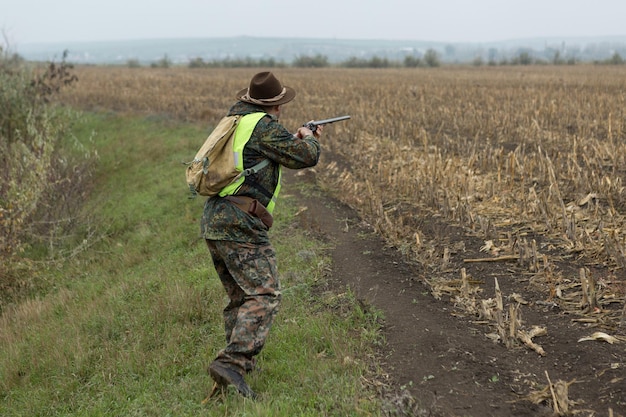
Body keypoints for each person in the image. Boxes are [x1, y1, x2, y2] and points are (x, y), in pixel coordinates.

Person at [201, 71, 322, 399]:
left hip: (216, 219)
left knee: (240, 299)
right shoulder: (263, 126)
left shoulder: (237, 120)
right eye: (280, 105)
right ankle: (233, 362)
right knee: (265, 294)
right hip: (241, 223)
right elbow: (304, 156)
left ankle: (227, 381)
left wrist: (295, 137)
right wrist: (310, 138)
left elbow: (264, 154)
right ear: (276, 106)